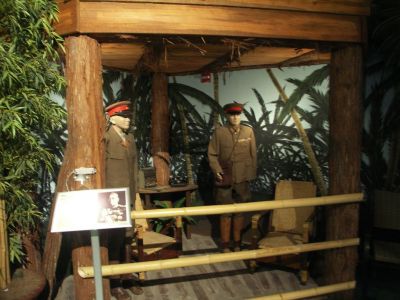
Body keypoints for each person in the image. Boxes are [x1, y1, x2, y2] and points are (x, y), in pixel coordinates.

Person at [104, 100, 143, 299]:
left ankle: (127, 277)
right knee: (115, 240)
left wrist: (137, 191)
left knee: (128, 237)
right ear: (112, 118)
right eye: (124, 116)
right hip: (113, 200)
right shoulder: (106, 138)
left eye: (128, 116)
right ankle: (115, 283)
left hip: (129, 196)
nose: (128, 120)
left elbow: (134, 167)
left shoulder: (131, 138)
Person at [208, 102, 257, 253]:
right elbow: (212, 154)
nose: (235, 117)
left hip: (242, 178)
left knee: (240, 211)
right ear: (227, 116)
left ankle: (237, 243)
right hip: (225, 177)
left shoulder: (248, 132)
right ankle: (225, 244)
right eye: (232, 114)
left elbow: (253, 154)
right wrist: (216, 170)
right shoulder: (219, 133)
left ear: (240, 115)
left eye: (237, 114)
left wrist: (251, 175)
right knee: (225, 212)